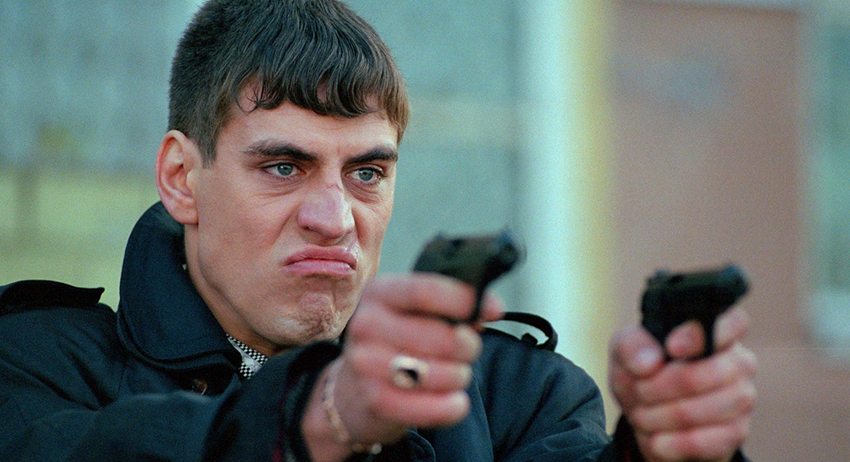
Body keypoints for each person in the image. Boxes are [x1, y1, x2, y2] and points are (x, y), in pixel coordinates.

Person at [0, 0, 757, 461]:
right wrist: (324, 417)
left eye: (366, 173)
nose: (335, 220)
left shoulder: (514, 394)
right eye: (284, 167)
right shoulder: (36, 365)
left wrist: (666, 448)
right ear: (180, 178)